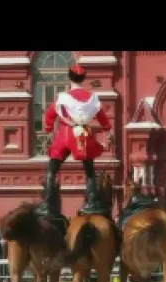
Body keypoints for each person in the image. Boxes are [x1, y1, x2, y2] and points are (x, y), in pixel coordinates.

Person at [36, 64, 113, 217]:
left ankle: (47, 204)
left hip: (65, 133)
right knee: (89, 169)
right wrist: (107, 130)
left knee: (52, 168)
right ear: (83, 79)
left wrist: (48, 128)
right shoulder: (92, 98)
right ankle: (92, 202)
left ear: (69, 78)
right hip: (82, 135)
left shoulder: (62, 97)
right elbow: (102, 117)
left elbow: (50, 114)